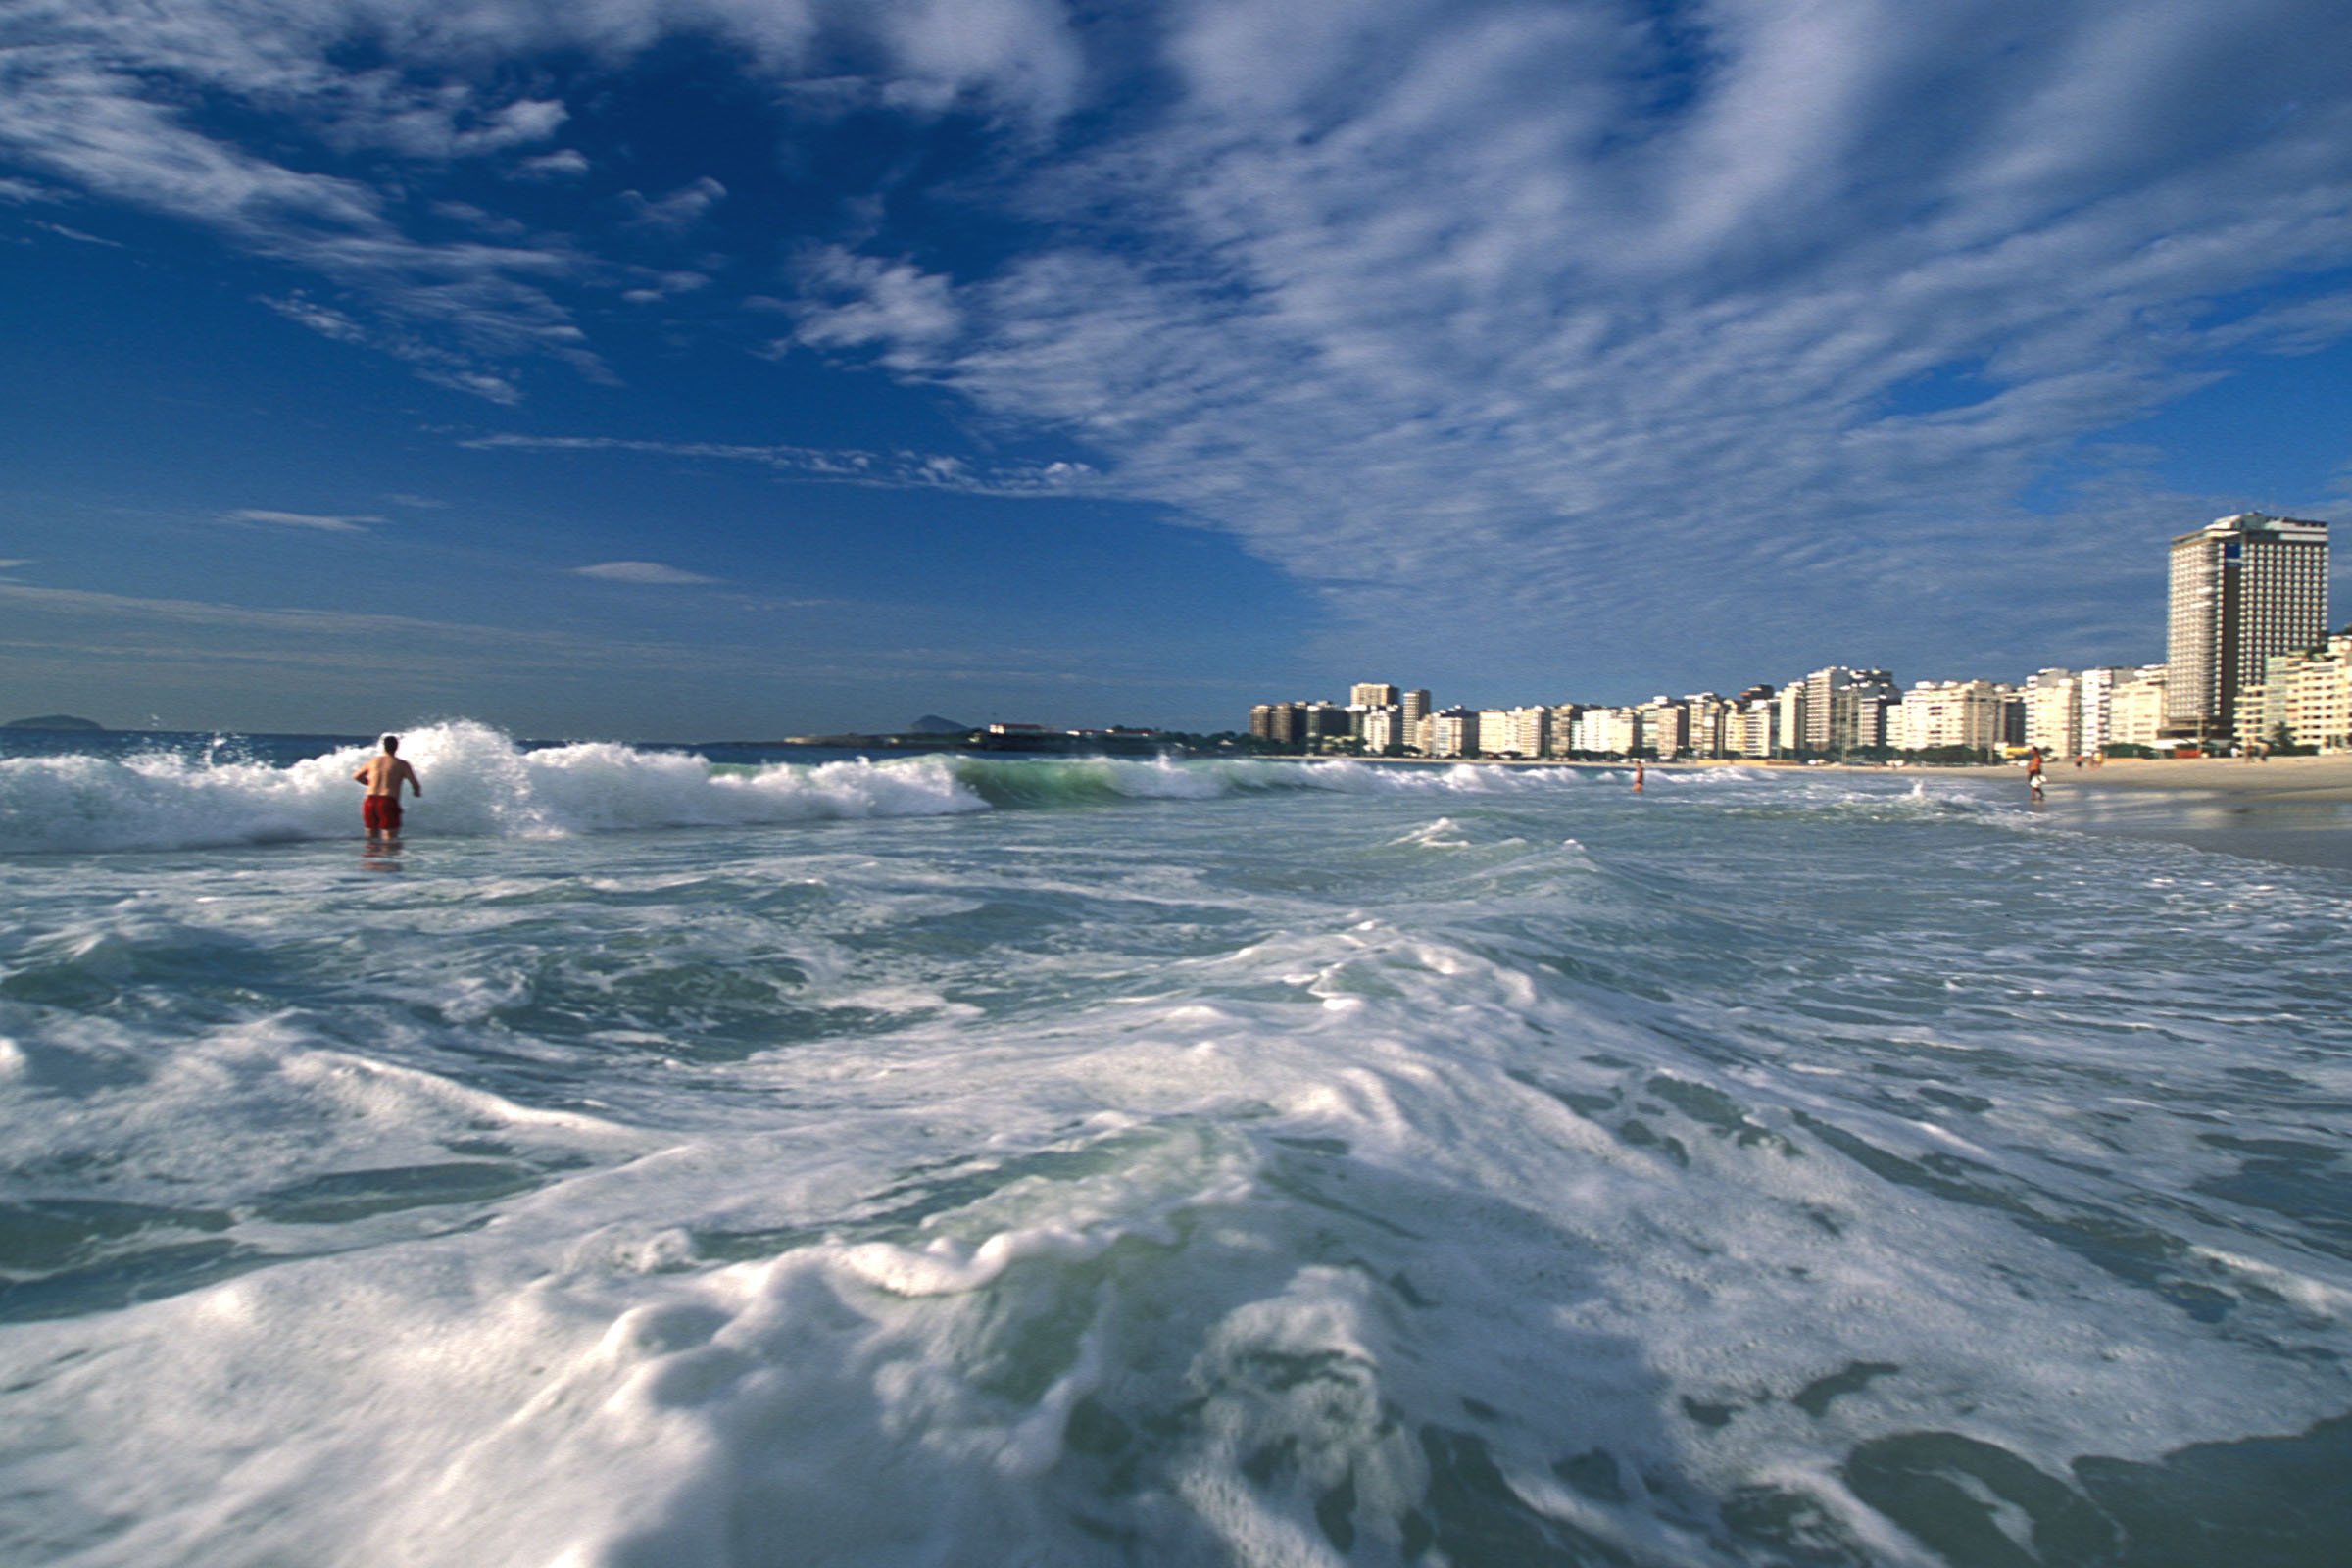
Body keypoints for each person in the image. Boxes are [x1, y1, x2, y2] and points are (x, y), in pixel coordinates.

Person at [354, 734, 422, 840]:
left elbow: (356, 776)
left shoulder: (374, 761)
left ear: (384, 747)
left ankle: (372, 855)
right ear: (397, 747)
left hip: (369, 801)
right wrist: (416, 792)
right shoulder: (401, 764)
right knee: (389, 839)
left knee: (371, 838)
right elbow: (414, 783)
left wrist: (370, 784)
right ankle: (388, 856)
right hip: (387, 801)